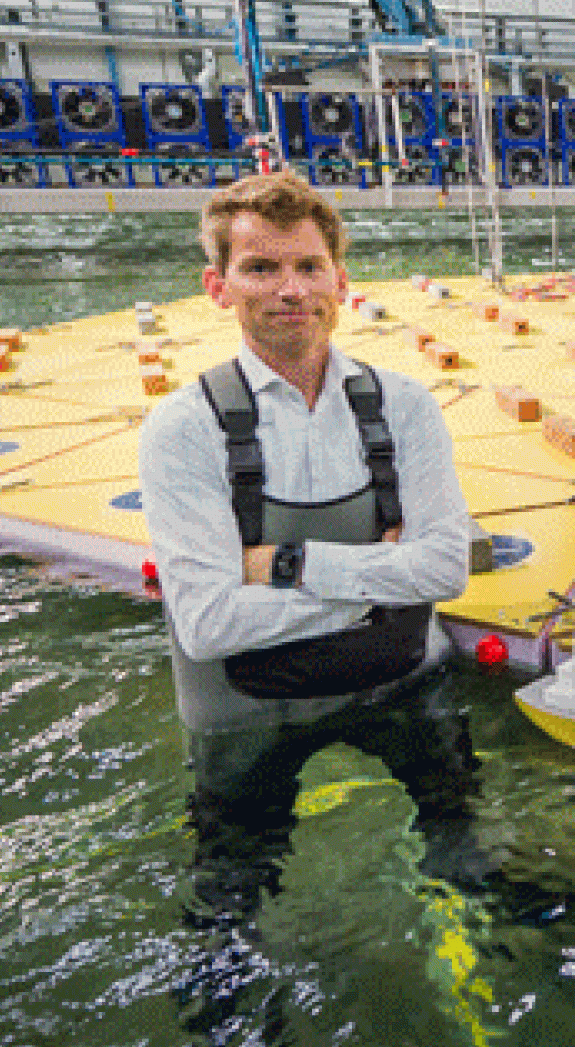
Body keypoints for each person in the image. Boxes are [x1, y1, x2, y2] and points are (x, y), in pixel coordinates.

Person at [139, 169, 482, 926]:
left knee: (469, 854)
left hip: (401, 684)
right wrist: (386, 585)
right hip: (244, 710)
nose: (289, 289)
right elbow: (208, 626)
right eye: (260, 267)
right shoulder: (183, 428)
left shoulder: (405, 407)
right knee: (228, 906)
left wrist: (283, 567)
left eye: (307, 267)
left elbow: (446, 570)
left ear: (341, 281)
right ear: (217, 285)